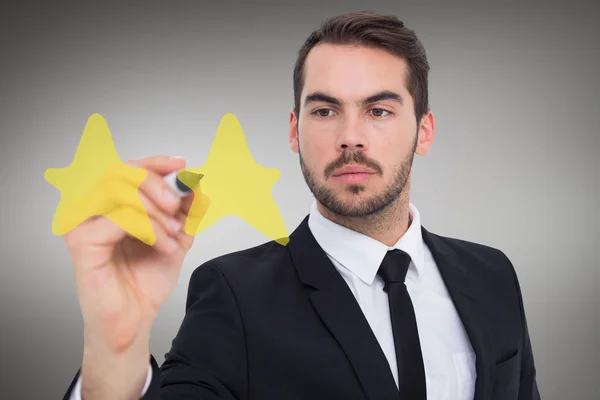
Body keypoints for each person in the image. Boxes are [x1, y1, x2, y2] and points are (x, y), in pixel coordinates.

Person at [62, 11, 540, 400]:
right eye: (325, 110)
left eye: (379, 110)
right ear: (295, 130)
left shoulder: (492, 275)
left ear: (425, 129)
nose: (350, 138)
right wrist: (114, 344)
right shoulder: (234, 295)